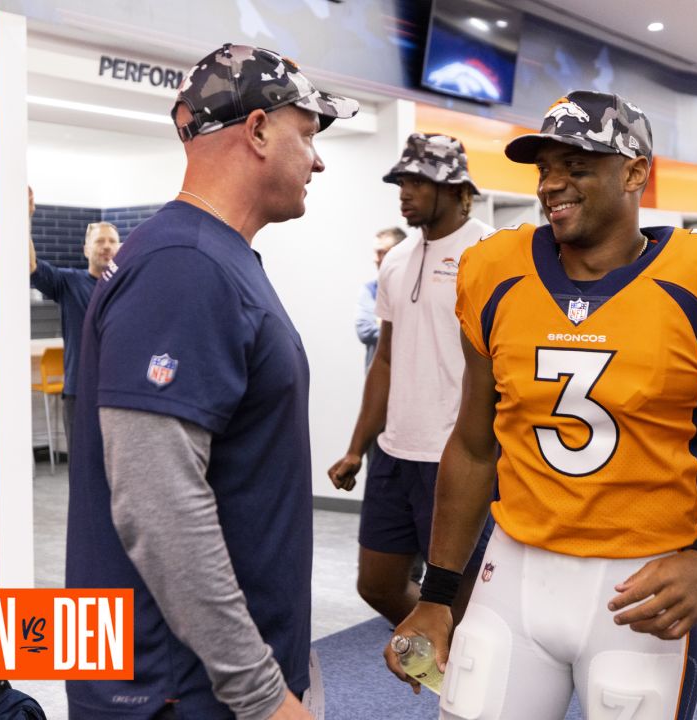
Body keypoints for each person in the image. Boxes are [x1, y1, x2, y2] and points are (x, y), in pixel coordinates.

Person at [383, 91, 697, 720]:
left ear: (634, 171)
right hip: (514, 574)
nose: (552, 185)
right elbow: (473, 444)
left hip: (640, 585)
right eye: (545, 168)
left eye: (576, 166)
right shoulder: (495, 273)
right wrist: (439, 593)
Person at [63, 43, 356, 720]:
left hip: (213, 680)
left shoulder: (215, 257)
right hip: (181, 692)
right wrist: (260, 694)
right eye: (307, 136)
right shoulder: (183, 267)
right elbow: (158, 506)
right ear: (255, 130)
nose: (318, 159)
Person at [329, 134, 495, 628]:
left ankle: (469, 684)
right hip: (395, 453)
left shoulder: (487, 252)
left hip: (456, 454)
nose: (404, 192)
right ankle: (442, 662)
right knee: (376, 583)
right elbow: (385, 358)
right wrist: (357, 446)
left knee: (461, 601)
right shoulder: (398, 259)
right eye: (402, 181)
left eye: (418, 181)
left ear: (454, 188)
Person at [28, 187, 121, 453]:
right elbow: (30, 264)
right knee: (83, 466)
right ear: (86, 249)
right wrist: (26, 219)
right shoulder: (69, 283)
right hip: (80, 392)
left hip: (120, 391)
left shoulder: (128, 286)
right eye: (99, 241)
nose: (106, 247)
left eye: (111, 241)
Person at [355, 227, 407, 370]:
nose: (375, 259)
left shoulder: (416, 290)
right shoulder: (370, 290)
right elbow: (365, 331)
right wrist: (405, 330)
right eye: (375, 253)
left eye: (381, 253)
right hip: (379, 377)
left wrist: (381, 324)